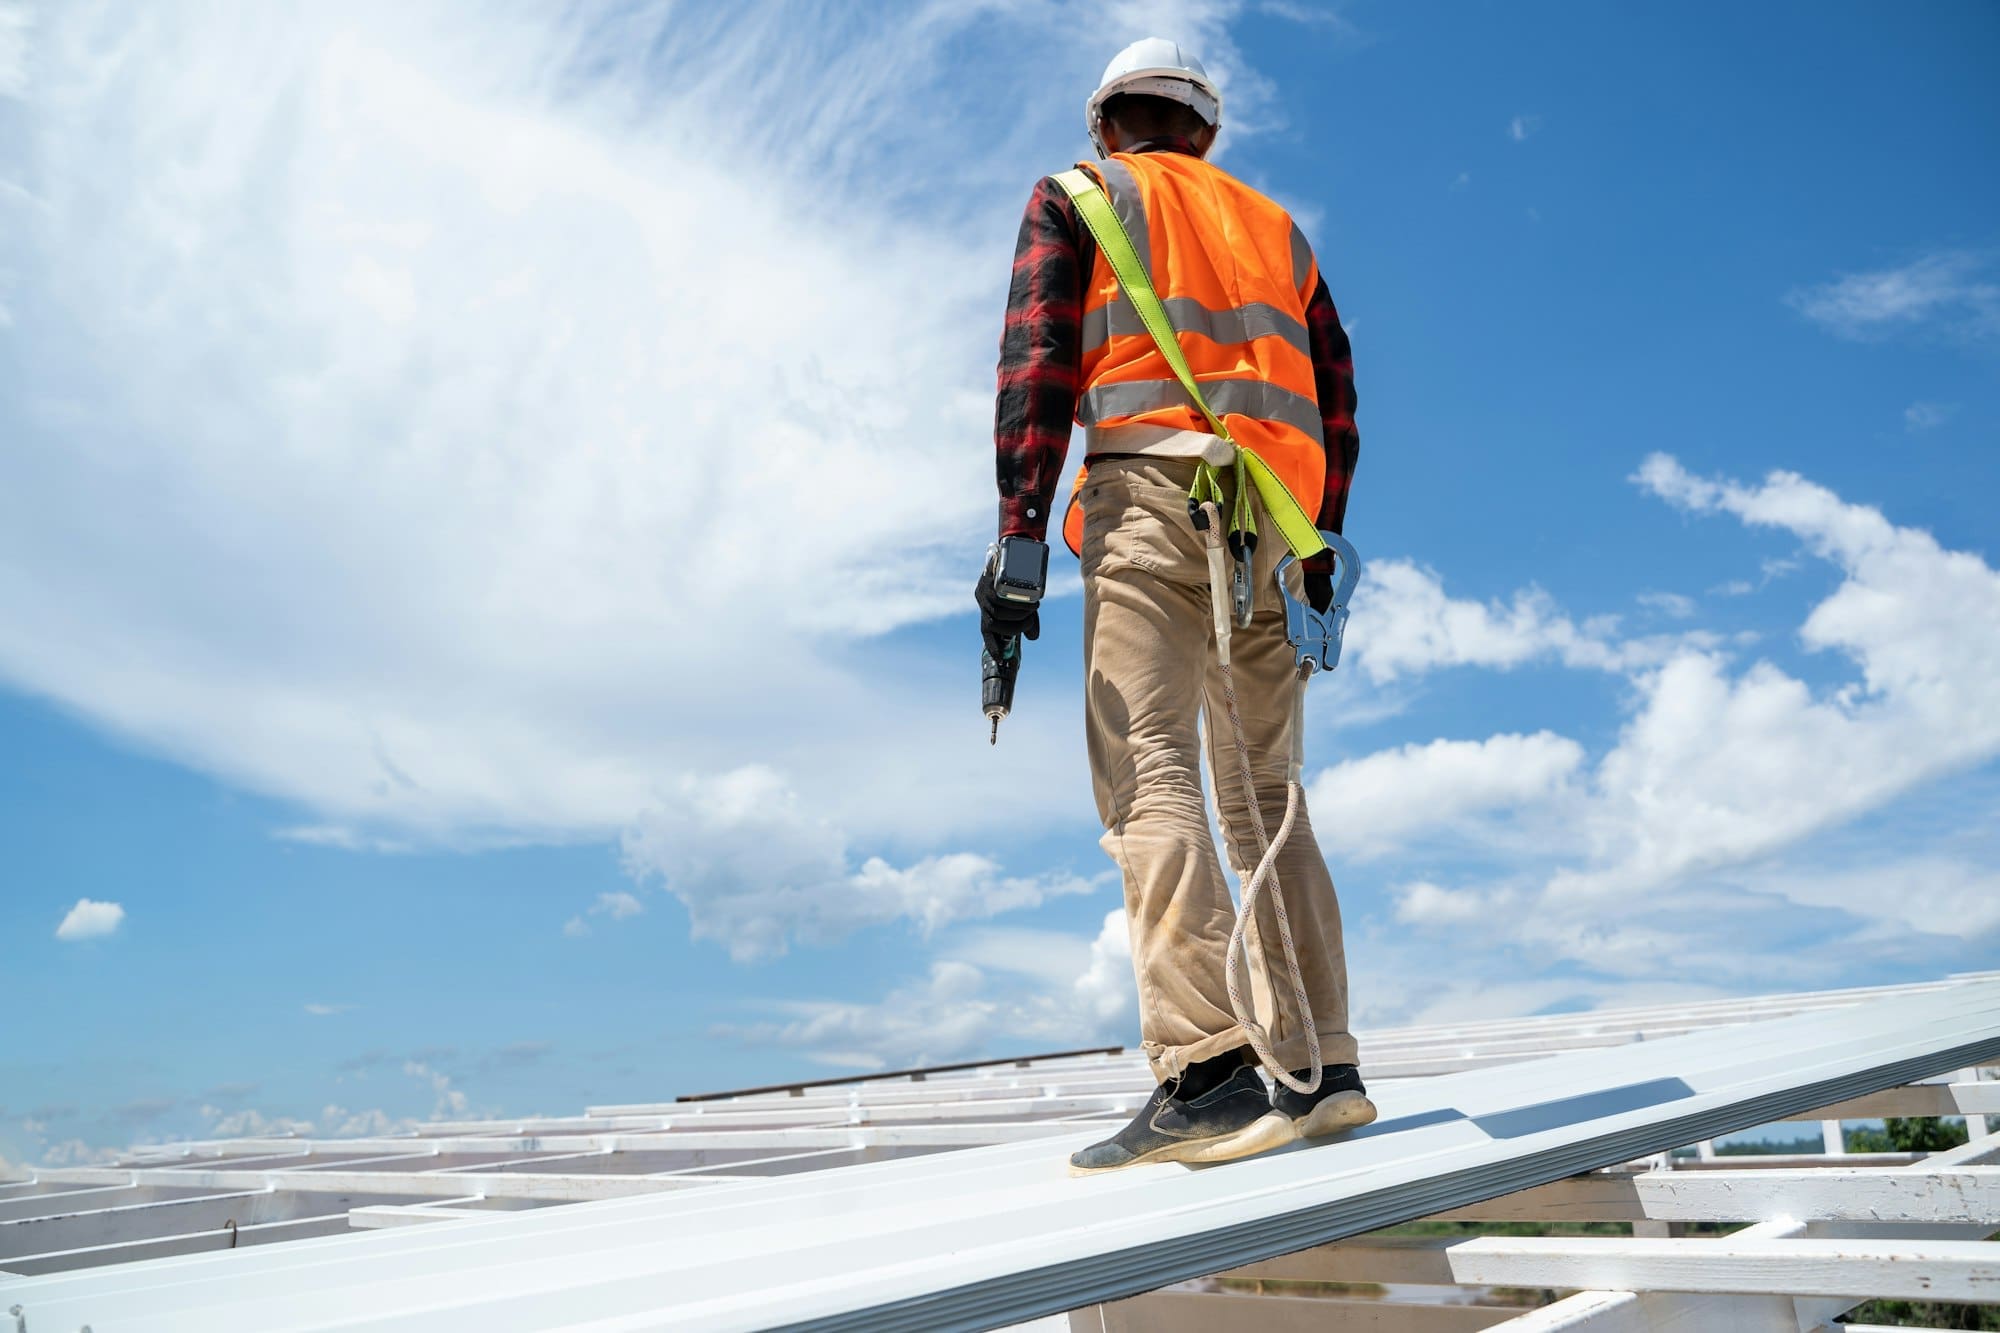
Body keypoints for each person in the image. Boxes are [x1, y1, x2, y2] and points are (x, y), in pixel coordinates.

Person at [975, 38, 1375, 1173]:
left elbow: (1036, 367)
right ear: (1204, 129)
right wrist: (1314, 547)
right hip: (1279, 525)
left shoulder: (1081, 194)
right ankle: (1320, 1065)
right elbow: (1336, 404)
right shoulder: (1275, 229)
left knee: (1149, 767)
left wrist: (1017, 531)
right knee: (1265, 792)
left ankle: (1205, 1072)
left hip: (1149, 492)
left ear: (1107, 122)